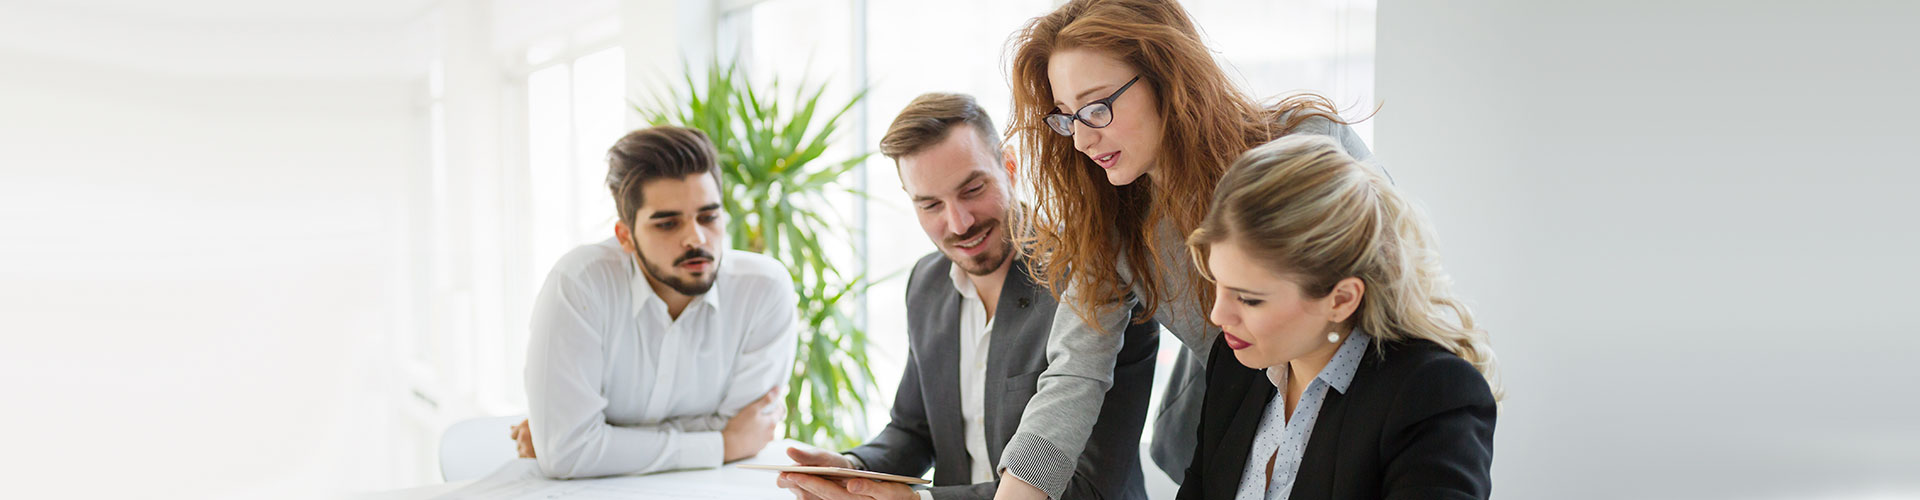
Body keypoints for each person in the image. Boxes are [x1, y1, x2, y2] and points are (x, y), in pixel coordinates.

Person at [992, 0, 1377, 498]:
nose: (1083, 140)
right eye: (1067, 118)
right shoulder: (1115, 222)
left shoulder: (1306, 143)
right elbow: (1073, 373)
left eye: (1098, 107)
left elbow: (1402, 294)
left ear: (1167, 78)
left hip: (1359, 420)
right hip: (1229, 443)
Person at [774, 93, 1158, 500]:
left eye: (973, 189)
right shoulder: (927, 282)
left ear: (1008, 166)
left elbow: (1088, 486)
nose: (959, 223)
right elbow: (913, 430)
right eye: (930, 205)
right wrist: (853, 468)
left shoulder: (1094, 282)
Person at [1178, 135, 1499, 499]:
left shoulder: (1432, 395)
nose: (1219, 315)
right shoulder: (1237, 364)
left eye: (1250, 300)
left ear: (1342, 300)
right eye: (1217, 283)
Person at [509, 125, 801, 478]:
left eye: (708, 217)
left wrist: (592, 438)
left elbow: (748, 430)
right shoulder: (579, 284)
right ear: (626, 237)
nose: (696, 238)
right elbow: (568, 453)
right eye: (667, 224)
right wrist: (721, 444)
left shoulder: (764, 290)